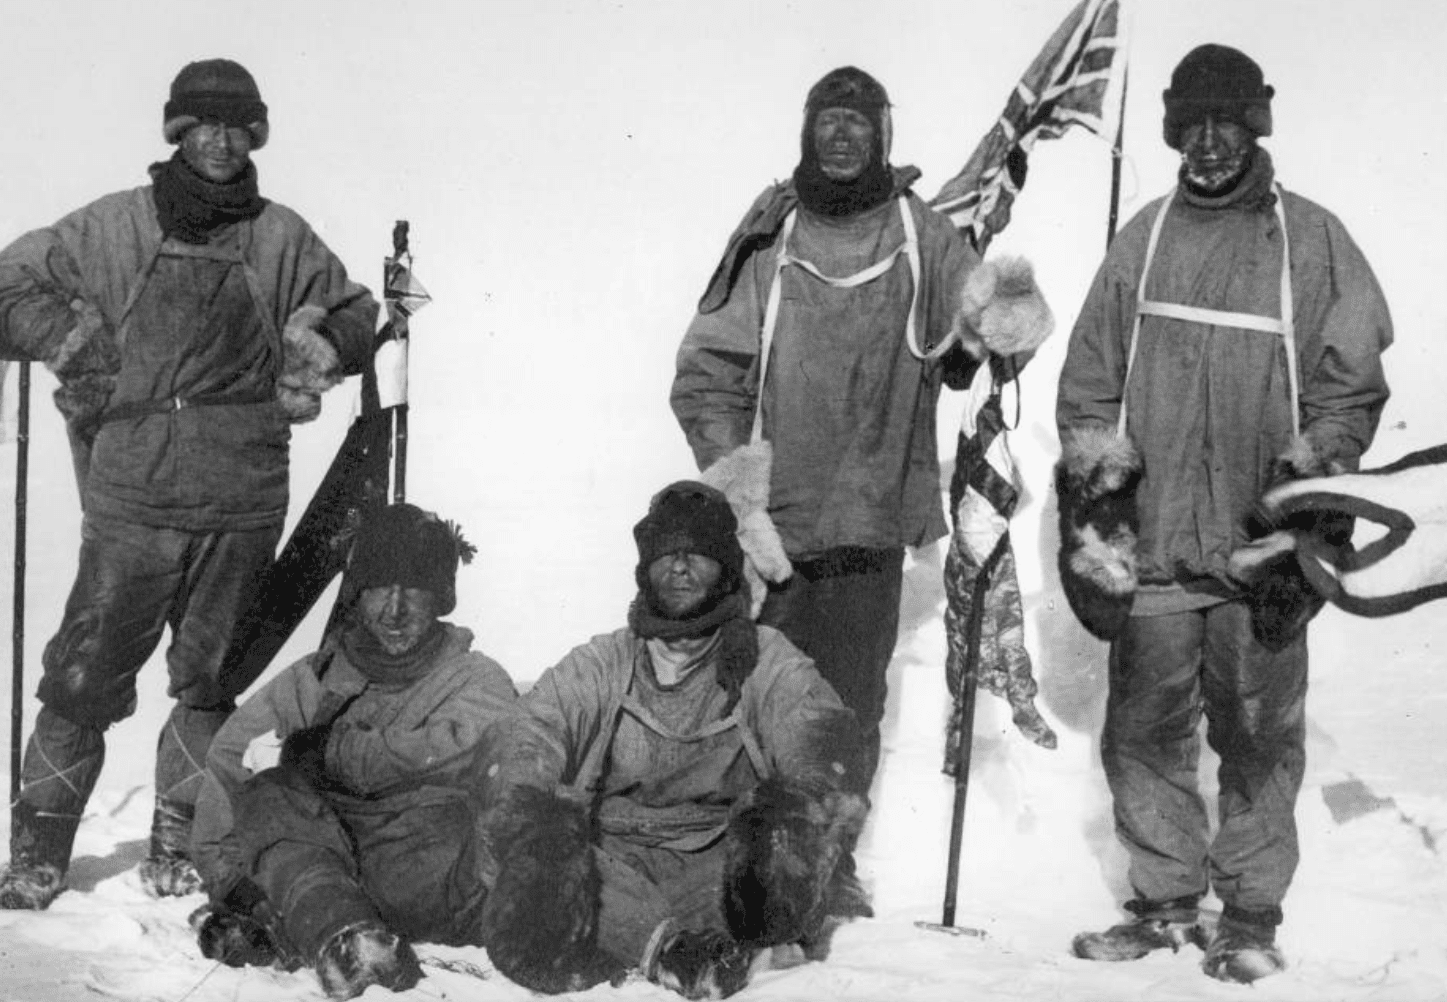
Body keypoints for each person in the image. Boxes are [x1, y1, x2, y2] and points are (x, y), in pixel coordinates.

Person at [0, 59, 378, 911]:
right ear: (176, 133)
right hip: (133, 498)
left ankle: (179, 840)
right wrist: (67, 337)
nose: (223, 142)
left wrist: (320, 349)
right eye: (205, 126)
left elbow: (353, 311)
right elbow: (4, 290)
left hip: (242, 496)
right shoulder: (113, 230)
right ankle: (39, 849)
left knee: (208, 681)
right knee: (85, 676)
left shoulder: (280, 238)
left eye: (239, 127)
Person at [1054, 44, 1394, 983]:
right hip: (1159, 544)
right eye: (1191, 126)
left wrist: (1312, 476)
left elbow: (1350, 382)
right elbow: (1089, 377)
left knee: (1256, 730)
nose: (1208, 145)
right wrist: (1102, 487)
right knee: (1144, 728)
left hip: (1259, 546)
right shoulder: (1147, 235)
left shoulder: (1310, 240)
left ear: (1256, 126)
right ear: (1172, 133)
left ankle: (1247, 915)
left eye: (1226, 123)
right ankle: (1164, 905)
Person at [670, 66, 1036, 812]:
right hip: (774, 530)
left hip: (869, 522)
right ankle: (742, 865)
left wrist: (1004, 305)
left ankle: (826, 863)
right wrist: (740, 500)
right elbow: (709, 371)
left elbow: (994, 337)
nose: (841, 136)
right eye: (827, 120)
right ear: (807, 132)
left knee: (849, 710)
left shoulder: (920, 233)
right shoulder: (774, 230)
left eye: (858, 122)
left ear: (882, 136)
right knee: (754, 702)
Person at [480, 481, 868, 1000]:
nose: (681, 567)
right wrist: (529, 807)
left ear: (726, 569)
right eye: (667, 555)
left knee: (773, 870)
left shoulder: (765, 660)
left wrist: (790, 827)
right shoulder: (607, 660)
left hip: (712, 862)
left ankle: (655, 942)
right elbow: (534, 728)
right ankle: (672, 950)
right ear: (645, 569)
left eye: (699, 554)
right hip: (615, 859)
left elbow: (819, 735)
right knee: (513, 849)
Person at [186, 502, 517, 1000]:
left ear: (442, 597)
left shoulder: (476, 678)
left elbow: (464, 750)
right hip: (336, 872)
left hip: (437, 878)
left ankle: (301, 922)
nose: (395, 608)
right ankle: (341, 936)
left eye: (415, 589)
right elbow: (231, 765)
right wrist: (236, 885)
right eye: (379, 587)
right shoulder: (317, 678)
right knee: (269, 789)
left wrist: (325, 752)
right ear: (358, 597)